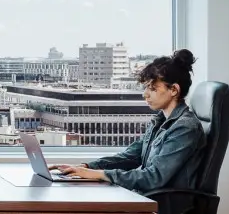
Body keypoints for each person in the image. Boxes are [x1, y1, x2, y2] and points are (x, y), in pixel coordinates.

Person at [52, 49, 205, 195]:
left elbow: (154, 177)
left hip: (164, 207)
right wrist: (86, 167)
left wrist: (97, 174)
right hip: (146, 198)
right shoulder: (159, 121)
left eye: (152, 89)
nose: (145, 94)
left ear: (174, 90)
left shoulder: (184, 127)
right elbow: (130, 157)